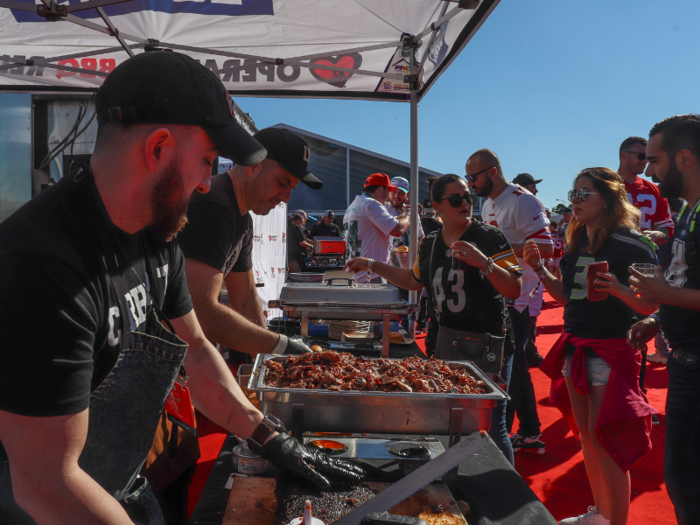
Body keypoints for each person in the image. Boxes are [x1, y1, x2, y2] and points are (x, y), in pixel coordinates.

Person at [0, 51, 362, 525]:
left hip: (115, 479)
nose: (208, 184)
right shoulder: (44, 268)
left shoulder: (157, 235)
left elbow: (193, 345)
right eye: (207, 161)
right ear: (158, 148)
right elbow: (46, 483)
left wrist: (269, 437)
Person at [345, 174, 522, 463]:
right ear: (436, 206)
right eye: (456, 199)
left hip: (488, 344)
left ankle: (498, 492)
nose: (464, 203)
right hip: (447, 343)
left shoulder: (488, 237)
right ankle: (458, 481)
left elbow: (514, 287)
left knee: (491, 428)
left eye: (468, 197)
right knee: (451, 422)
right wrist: (371, 263)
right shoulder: (429, 243)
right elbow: (414, 280)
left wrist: (484, 263)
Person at [525, 167, 658, 525]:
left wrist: (616, 287)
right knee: (586, 440)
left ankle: (615, 521)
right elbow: (566, 296)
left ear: (608, 198)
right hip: (574, 347)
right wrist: (539, 269)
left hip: (610, 350)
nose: (575, 201)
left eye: (584, 194)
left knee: (606, 446)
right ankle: (601, 515)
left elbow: (650, 305)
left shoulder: (632, 243)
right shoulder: (578, 241)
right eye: (573, 194)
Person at [179, 127, 322, 359]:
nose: (286, 198)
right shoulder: (213, 206)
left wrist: (264, 362)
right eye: (282, 182)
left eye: (291, 188)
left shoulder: (243, 218)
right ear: (253, 165)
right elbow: (200, 312)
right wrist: (278, 345)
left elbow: (245, 297)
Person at [627, 114, 700, 525]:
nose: (649, 172)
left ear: (685, 158)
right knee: (683, 483)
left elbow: (677, 286)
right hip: (686, 363)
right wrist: (660, 318)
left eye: (654, 161)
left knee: (688, 486)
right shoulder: (689, 211)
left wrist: (665, 297)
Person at [467, 149, 553, 455]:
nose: (470, 184)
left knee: (511, 372)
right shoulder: (490, 202)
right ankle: (529, 431)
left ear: (492, 172)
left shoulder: (522, 200)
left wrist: (497, 248)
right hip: (501, 296)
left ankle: (512, 435)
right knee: (515, 371)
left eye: (473, 177)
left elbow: (547, 246)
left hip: (520, 298)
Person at [344, 173, 410, 282]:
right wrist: (408, 214)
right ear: (380, 189)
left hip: (356, 273)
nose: (388, 196)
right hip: (370, 275)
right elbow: (398, 230)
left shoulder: (352, 205)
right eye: (388, 191)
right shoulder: (371, 204)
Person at [617, 136, 675, 245]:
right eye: (641, 156)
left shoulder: (655, 190)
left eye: (647, 158)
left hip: (644, 257)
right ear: (624, 156)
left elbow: (666, 227)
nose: (645, 161)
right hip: (609, 255)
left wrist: (658, 234)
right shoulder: (604, 186)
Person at [386, 176, 425, 252]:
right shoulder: (382, 210)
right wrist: (406, 213)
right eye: (394, 192)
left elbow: (420, 236)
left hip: (410, 261)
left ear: (408, 194)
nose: (397, 196)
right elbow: (395, 227)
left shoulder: (413, 213)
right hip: (387, 262)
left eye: (401, 193)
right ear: (388, 192)